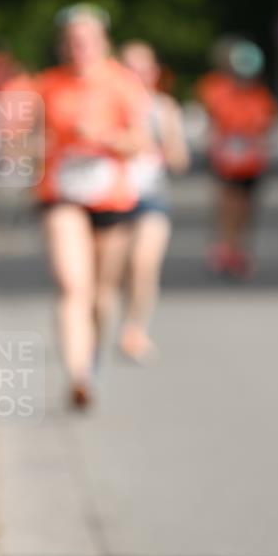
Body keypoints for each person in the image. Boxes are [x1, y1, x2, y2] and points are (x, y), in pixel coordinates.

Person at [29, 4, 150, 407]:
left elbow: (140, 144)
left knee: (101, 294)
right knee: (70, 284)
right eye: (70, 41)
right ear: (61, 44)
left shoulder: (122, 84)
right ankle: (77, 374)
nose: (77, 47)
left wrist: (102, 138)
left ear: (102, 42)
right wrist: (33, 149)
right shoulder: (46, 85)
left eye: (86, 40)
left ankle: (92, 361)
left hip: (110, 196)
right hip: (61, 195)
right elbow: (23, 141)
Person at [116, 40, 190, 361]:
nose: (136, 76)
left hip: (151, 196)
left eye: (142, 69)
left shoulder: (165, 108)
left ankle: (135, 329)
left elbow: (180, 160)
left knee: (144, 263)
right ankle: (108, 318)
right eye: (129, 69)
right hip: (111, 197)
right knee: (116, 270)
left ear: (154, 72)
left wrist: (163, 149)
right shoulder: (107, 105)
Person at [197, 40, 277, 279]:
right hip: (226, 159)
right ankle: (225, 247)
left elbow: (267, 126)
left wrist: (259, 144)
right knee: (227, 203)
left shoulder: (260, 95)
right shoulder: (219, 91)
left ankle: (239, 248)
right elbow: (213, 122)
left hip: (251, 162)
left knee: (245, 207)